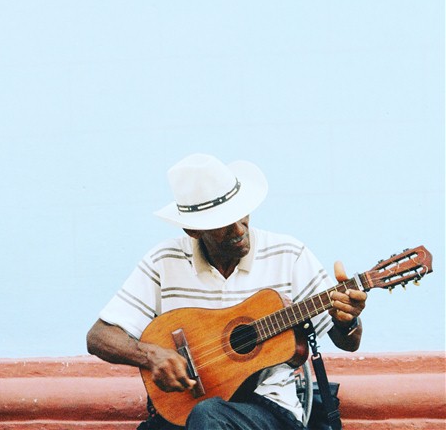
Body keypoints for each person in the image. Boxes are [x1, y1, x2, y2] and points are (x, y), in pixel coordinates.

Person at [86, 153, 367, 430]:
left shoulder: (288, 254)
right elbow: (99, 336)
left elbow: (348, 342)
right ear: (194, 230)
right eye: (222, 223)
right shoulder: (164, 261)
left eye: (241, 212)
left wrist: (347, 319)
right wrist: (151, 356)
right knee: (203, 414)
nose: (239, 228)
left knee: (208, 415)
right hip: (181, 414)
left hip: (268, 412)